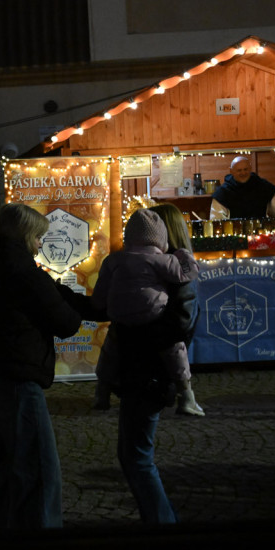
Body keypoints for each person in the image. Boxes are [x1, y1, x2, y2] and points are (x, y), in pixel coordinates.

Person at [0, 203, 89, 529]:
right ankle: (41, 537)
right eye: (38, 238)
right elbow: (65, 322)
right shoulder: (21, 270)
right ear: (26, 236)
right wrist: (75, 306)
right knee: (38, 468)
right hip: (16, 377)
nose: (39, 245)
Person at [90, 209, 200, 524]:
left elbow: (99, 300)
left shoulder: (117, 260)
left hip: (143, 372)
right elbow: (178, 330)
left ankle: (161, 523)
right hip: (148, 368)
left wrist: (113, 311)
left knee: (135, 456)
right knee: (135, 454)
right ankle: (187, 394)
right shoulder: (167, 266)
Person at [93, 204, 205, 416]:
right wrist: (184, 254)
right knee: (176, 352)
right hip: (152, 315)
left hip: (120, 316)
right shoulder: (163, 260)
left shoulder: (114, 259)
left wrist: (99, 305)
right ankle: (187, 395)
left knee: (110, 350)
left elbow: (101, 290)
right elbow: (187, 273)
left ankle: (102, 391)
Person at [210, 156, 275, 226]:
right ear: (231, 171)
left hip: (261, 237)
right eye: (239, 170)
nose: (243, 173)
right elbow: (217, 220)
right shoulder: (223, 192)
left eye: (245, 169)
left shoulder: (263, 187)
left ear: (250, 168)